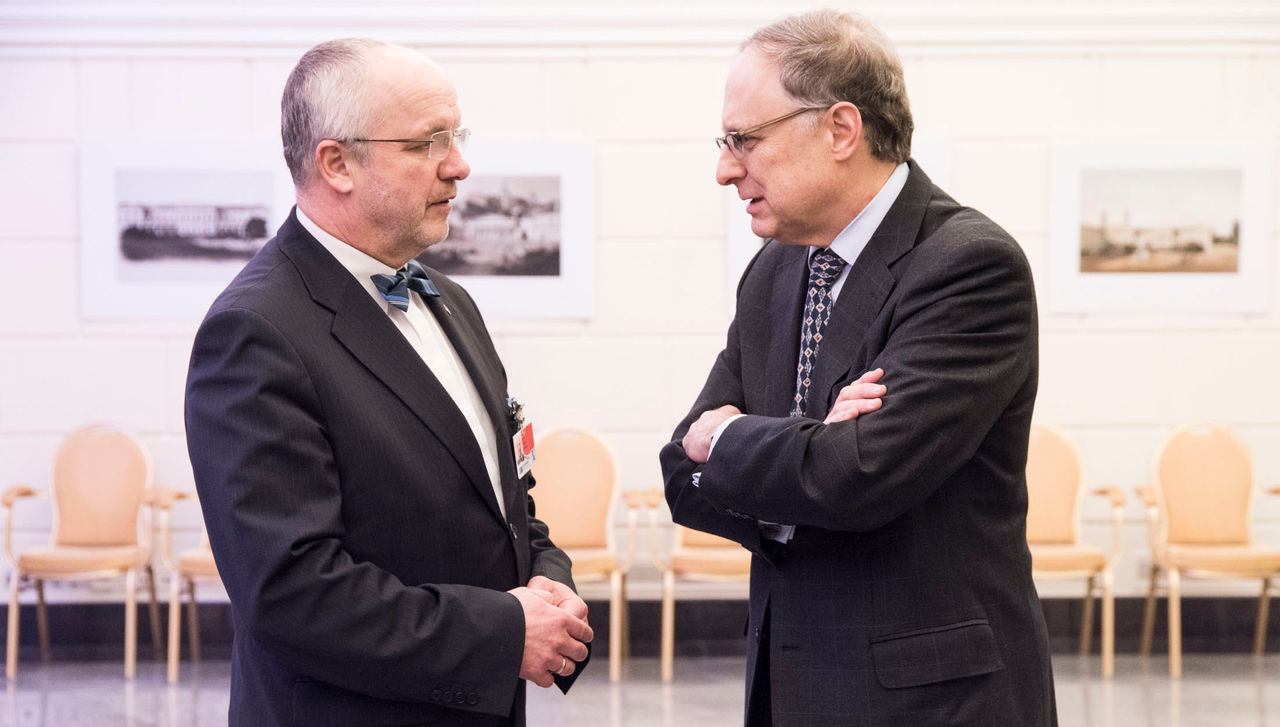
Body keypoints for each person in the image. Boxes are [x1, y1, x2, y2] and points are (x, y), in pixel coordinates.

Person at [659, 10, 1055, 726]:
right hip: (790, 692)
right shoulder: (773, 274)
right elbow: (679, 472)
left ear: (841, 129)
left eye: (743, 139)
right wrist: (810, 445)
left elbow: (861, 473)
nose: (724, 168)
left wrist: (735, 440)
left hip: (931, 701)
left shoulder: (966, 265)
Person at [185, 38, 591, 727]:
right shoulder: (255, 331)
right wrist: (503, 631)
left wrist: (549, 581)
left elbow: (502, 496)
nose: (459, 165)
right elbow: (291, 591)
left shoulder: (451, 302)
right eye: (427, 143)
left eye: (456, 136)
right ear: (336, 163)